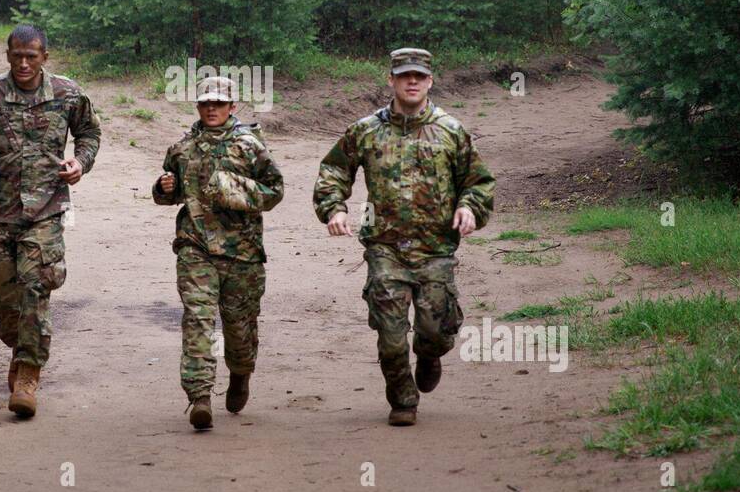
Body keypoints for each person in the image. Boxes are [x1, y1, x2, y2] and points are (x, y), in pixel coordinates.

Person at [313, 47, 495, 426]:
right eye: (404, 76)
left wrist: (469, 208)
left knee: (434, 330)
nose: (412, 82)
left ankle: (429, 355)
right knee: (390, 335)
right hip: (386, 248)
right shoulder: (366, 130)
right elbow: (333, 172)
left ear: (430, 81)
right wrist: (335, 208)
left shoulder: (451, 131)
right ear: (391, 80)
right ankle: (403, 400)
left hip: (436, 249)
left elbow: (477, 183)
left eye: (419, 76)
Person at [0, 24, 100, 418]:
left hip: (46, 211)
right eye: (18, 55)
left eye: (32, 56)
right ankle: (19, 347)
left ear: (45, 57)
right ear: (8, 55)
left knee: (36, 290)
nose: (25, 63)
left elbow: (89, 134)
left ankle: (29, 375)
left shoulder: (68, 93)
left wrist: (79, 163)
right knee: (9, 306)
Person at [153, 75, 285, 430]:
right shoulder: (183, 148)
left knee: (239, 330)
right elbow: (170, 192)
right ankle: (199, 396)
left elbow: (275, 191)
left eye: (219, 103)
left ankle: (240, 373)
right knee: (197, 317)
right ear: (198, 106)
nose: (212, 109)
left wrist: (232, 189)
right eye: (205, 103)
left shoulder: (249, 145)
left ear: (232, 107)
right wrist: (164, 187)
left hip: (242, 252)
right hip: (195, 248)